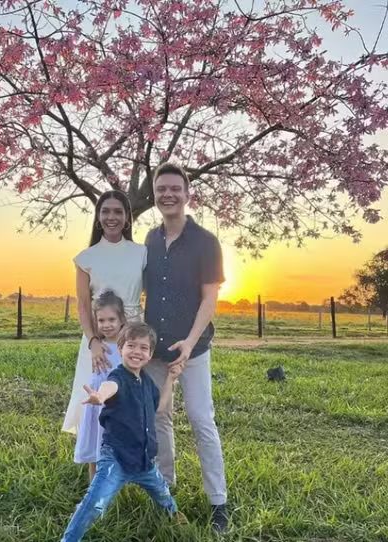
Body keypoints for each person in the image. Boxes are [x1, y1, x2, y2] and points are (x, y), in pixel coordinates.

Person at [142, 162, 229, 532]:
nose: (168, 194)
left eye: (175, 188)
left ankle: (219, 503)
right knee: (159, 419)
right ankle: (166, 492)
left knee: (200, 418)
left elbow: (210, 300)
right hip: (154, 350)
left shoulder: (206, 242)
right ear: (156, 195)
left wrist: (190, 344)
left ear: (187, 194)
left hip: (193, 348)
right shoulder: (149, 238)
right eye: (162, 189)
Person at [61, 322, 187, 542]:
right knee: (94, 504)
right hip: (115, 460)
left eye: (143, 348)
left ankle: (173, 514)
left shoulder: (146, 382)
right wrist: (100, 396)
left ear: (149, 354)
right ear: (120, 349)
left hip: (144, 461)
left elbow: (160, 406)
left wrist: (170, 378)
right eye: (131, 345)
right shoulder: (117, 377)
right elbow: (111, 387)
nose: (137, 351)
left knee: (163, 493)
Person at [62, 190, 146, 438]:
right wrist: (93, 342)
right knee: (97, 399)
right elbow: (84, 306)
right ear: (98, 218)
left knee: (129, 398)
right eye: (106, 211)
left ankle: (126, 462)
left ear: (127, 218)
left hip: (133, 336)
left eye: (118, 211)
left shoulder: (141, 253)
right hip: (100, 341)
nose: (112, 217)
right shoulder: (86, 258)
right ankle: (96, 462)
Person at [73, 289, 126, 481]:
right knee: (95, 446)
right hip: (97, 405)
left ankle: (115, 486)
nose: (106, 325)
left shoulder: (126, 347)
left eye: (111, 319)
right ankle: (93, 489)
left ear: (122, 319)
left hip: (117, 405)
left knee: (116, 449)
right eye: (101, 321)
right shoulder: (97, 347)